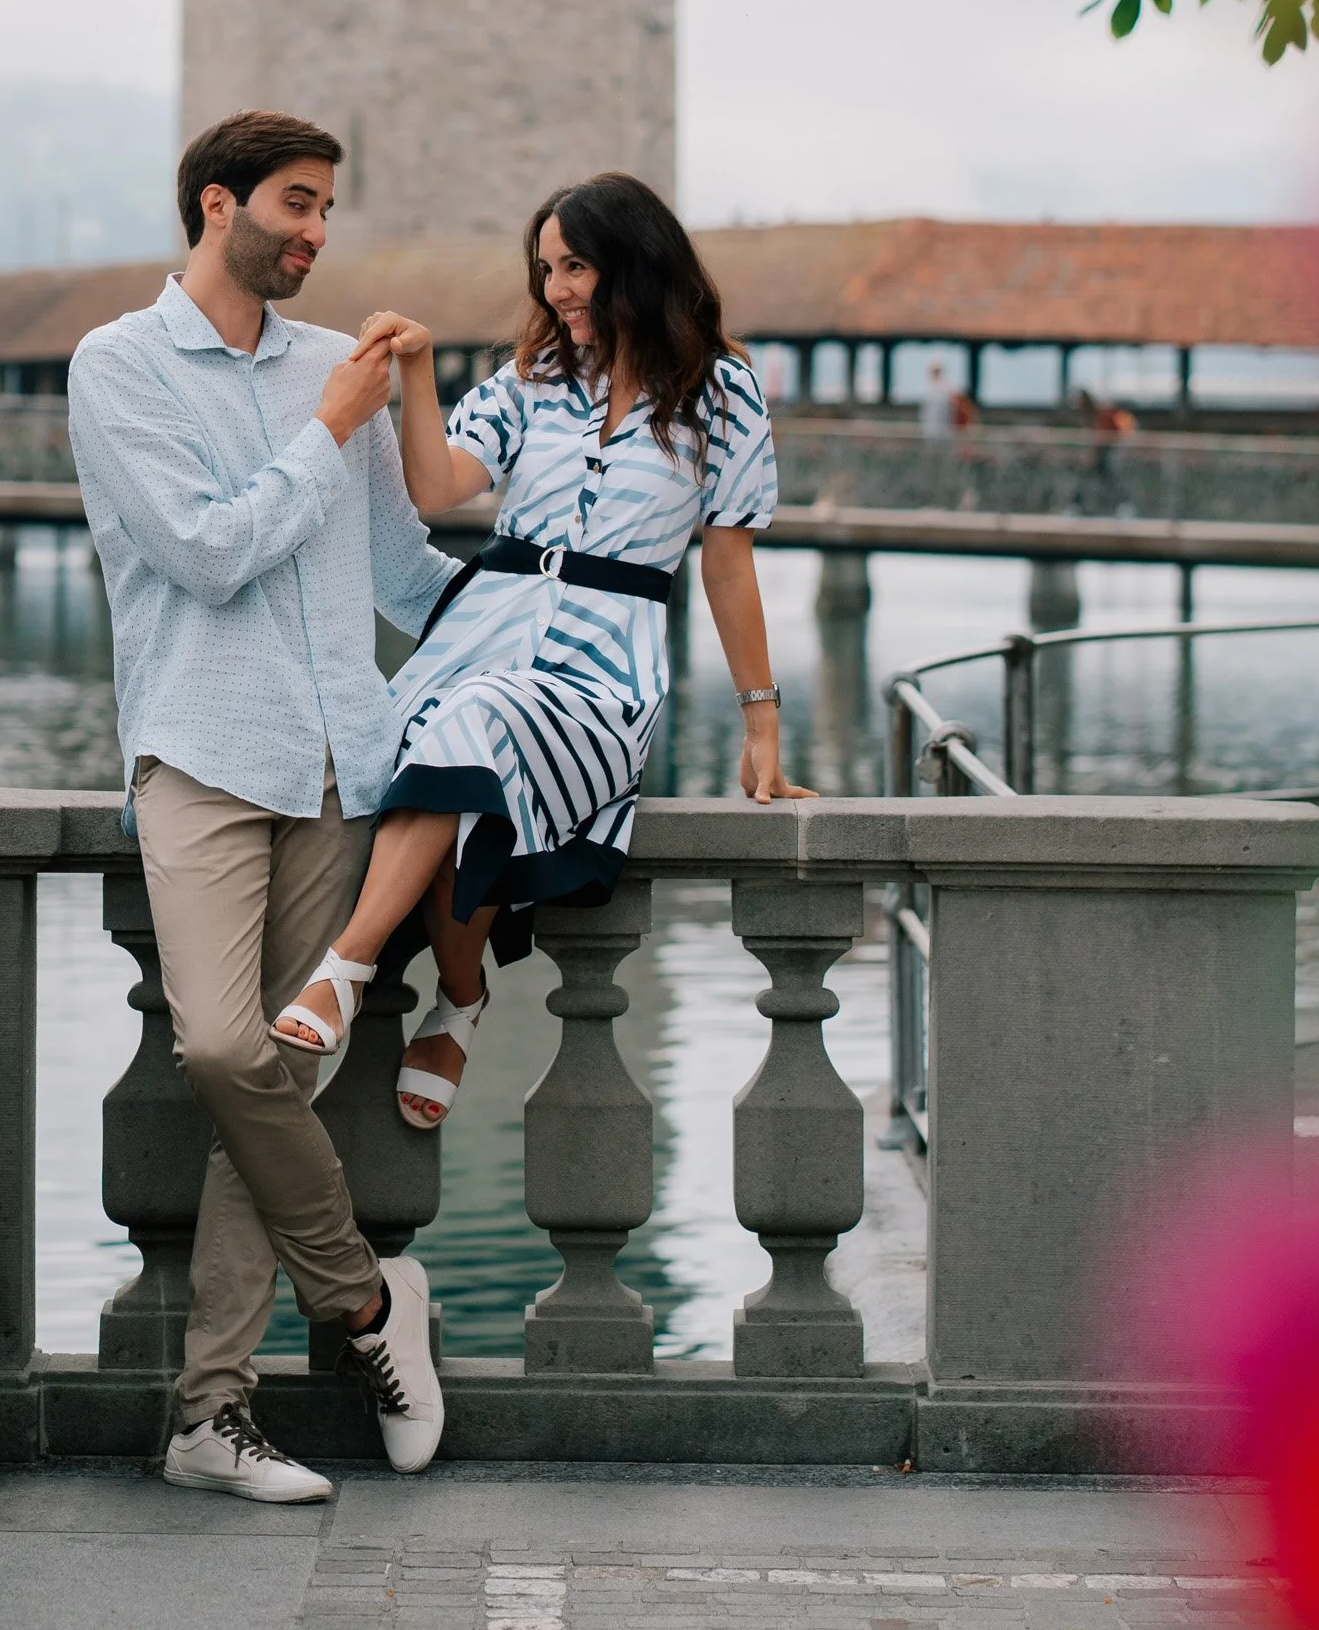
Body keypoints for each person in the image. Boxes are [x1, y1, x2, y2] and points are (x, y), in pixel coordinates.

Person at [68, 111, 456, 1504]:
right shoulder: (117, 369)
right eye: (298, 203)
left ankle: (209, 1415)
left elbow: (402, 577)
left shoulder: (329, 366)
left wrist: (571, 634)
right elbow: (207, 552)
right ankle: (366, 1307)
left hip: (344, 763)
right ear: (217, 203)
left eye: (329, 210)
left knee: (280, 1079)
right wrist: (330, 430)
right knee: (227, 1047)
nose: (317, 232)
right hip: (201, 753)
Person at [272, 172, 811, 1129]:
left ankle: (346, 966)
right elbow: (438, 487)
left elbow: (728, 567)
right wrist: (417, 370)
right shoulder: (536, 378)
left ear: (635, 266)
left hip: (604, 670)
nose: (558, 289)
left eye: (576, 266)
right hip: (482, 631)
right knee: (447, 739)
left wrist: (761, 721)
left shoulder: (724, 391)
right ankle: (463, 998)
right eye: (548, 269)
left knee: (474, 727)